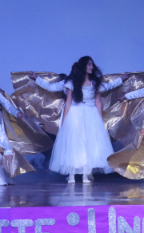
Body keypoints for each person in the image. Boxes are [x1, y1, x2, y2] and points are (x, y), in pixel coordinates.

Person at [49, 56, 121, 184]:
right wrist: (65, 121)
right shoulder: (72, 83)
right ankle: (71, 175)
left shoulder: (95, 83)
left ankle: (85, 175)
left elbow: (98, 102)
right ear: (83, 66)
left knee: (89, 144)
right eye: (88, 64)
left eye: (92, 64)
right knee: (74, 144)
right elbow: (68, 102)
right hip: (75, 113)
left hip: (91, 114)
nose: (91, 67)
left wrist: (99, 120)